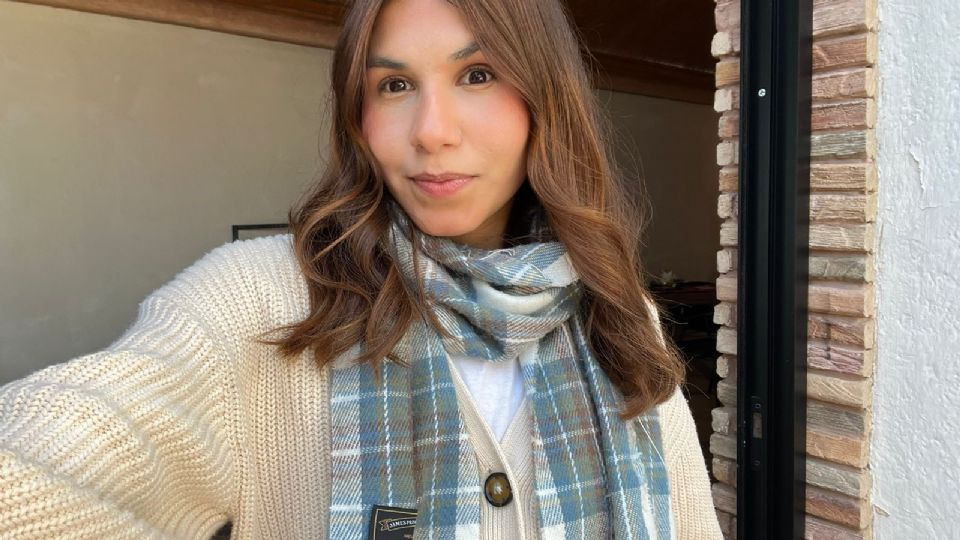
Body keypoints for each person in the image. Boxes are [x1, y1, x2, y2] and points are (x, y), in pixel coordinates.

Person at [0, 0, 723, 538]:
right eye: (394, 86)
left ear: (546, 101)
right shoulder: (256, 298)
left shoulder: (615, 309)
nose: (431, 132)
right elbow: (54, 454)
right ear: (358, 115)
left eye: (477, 74)